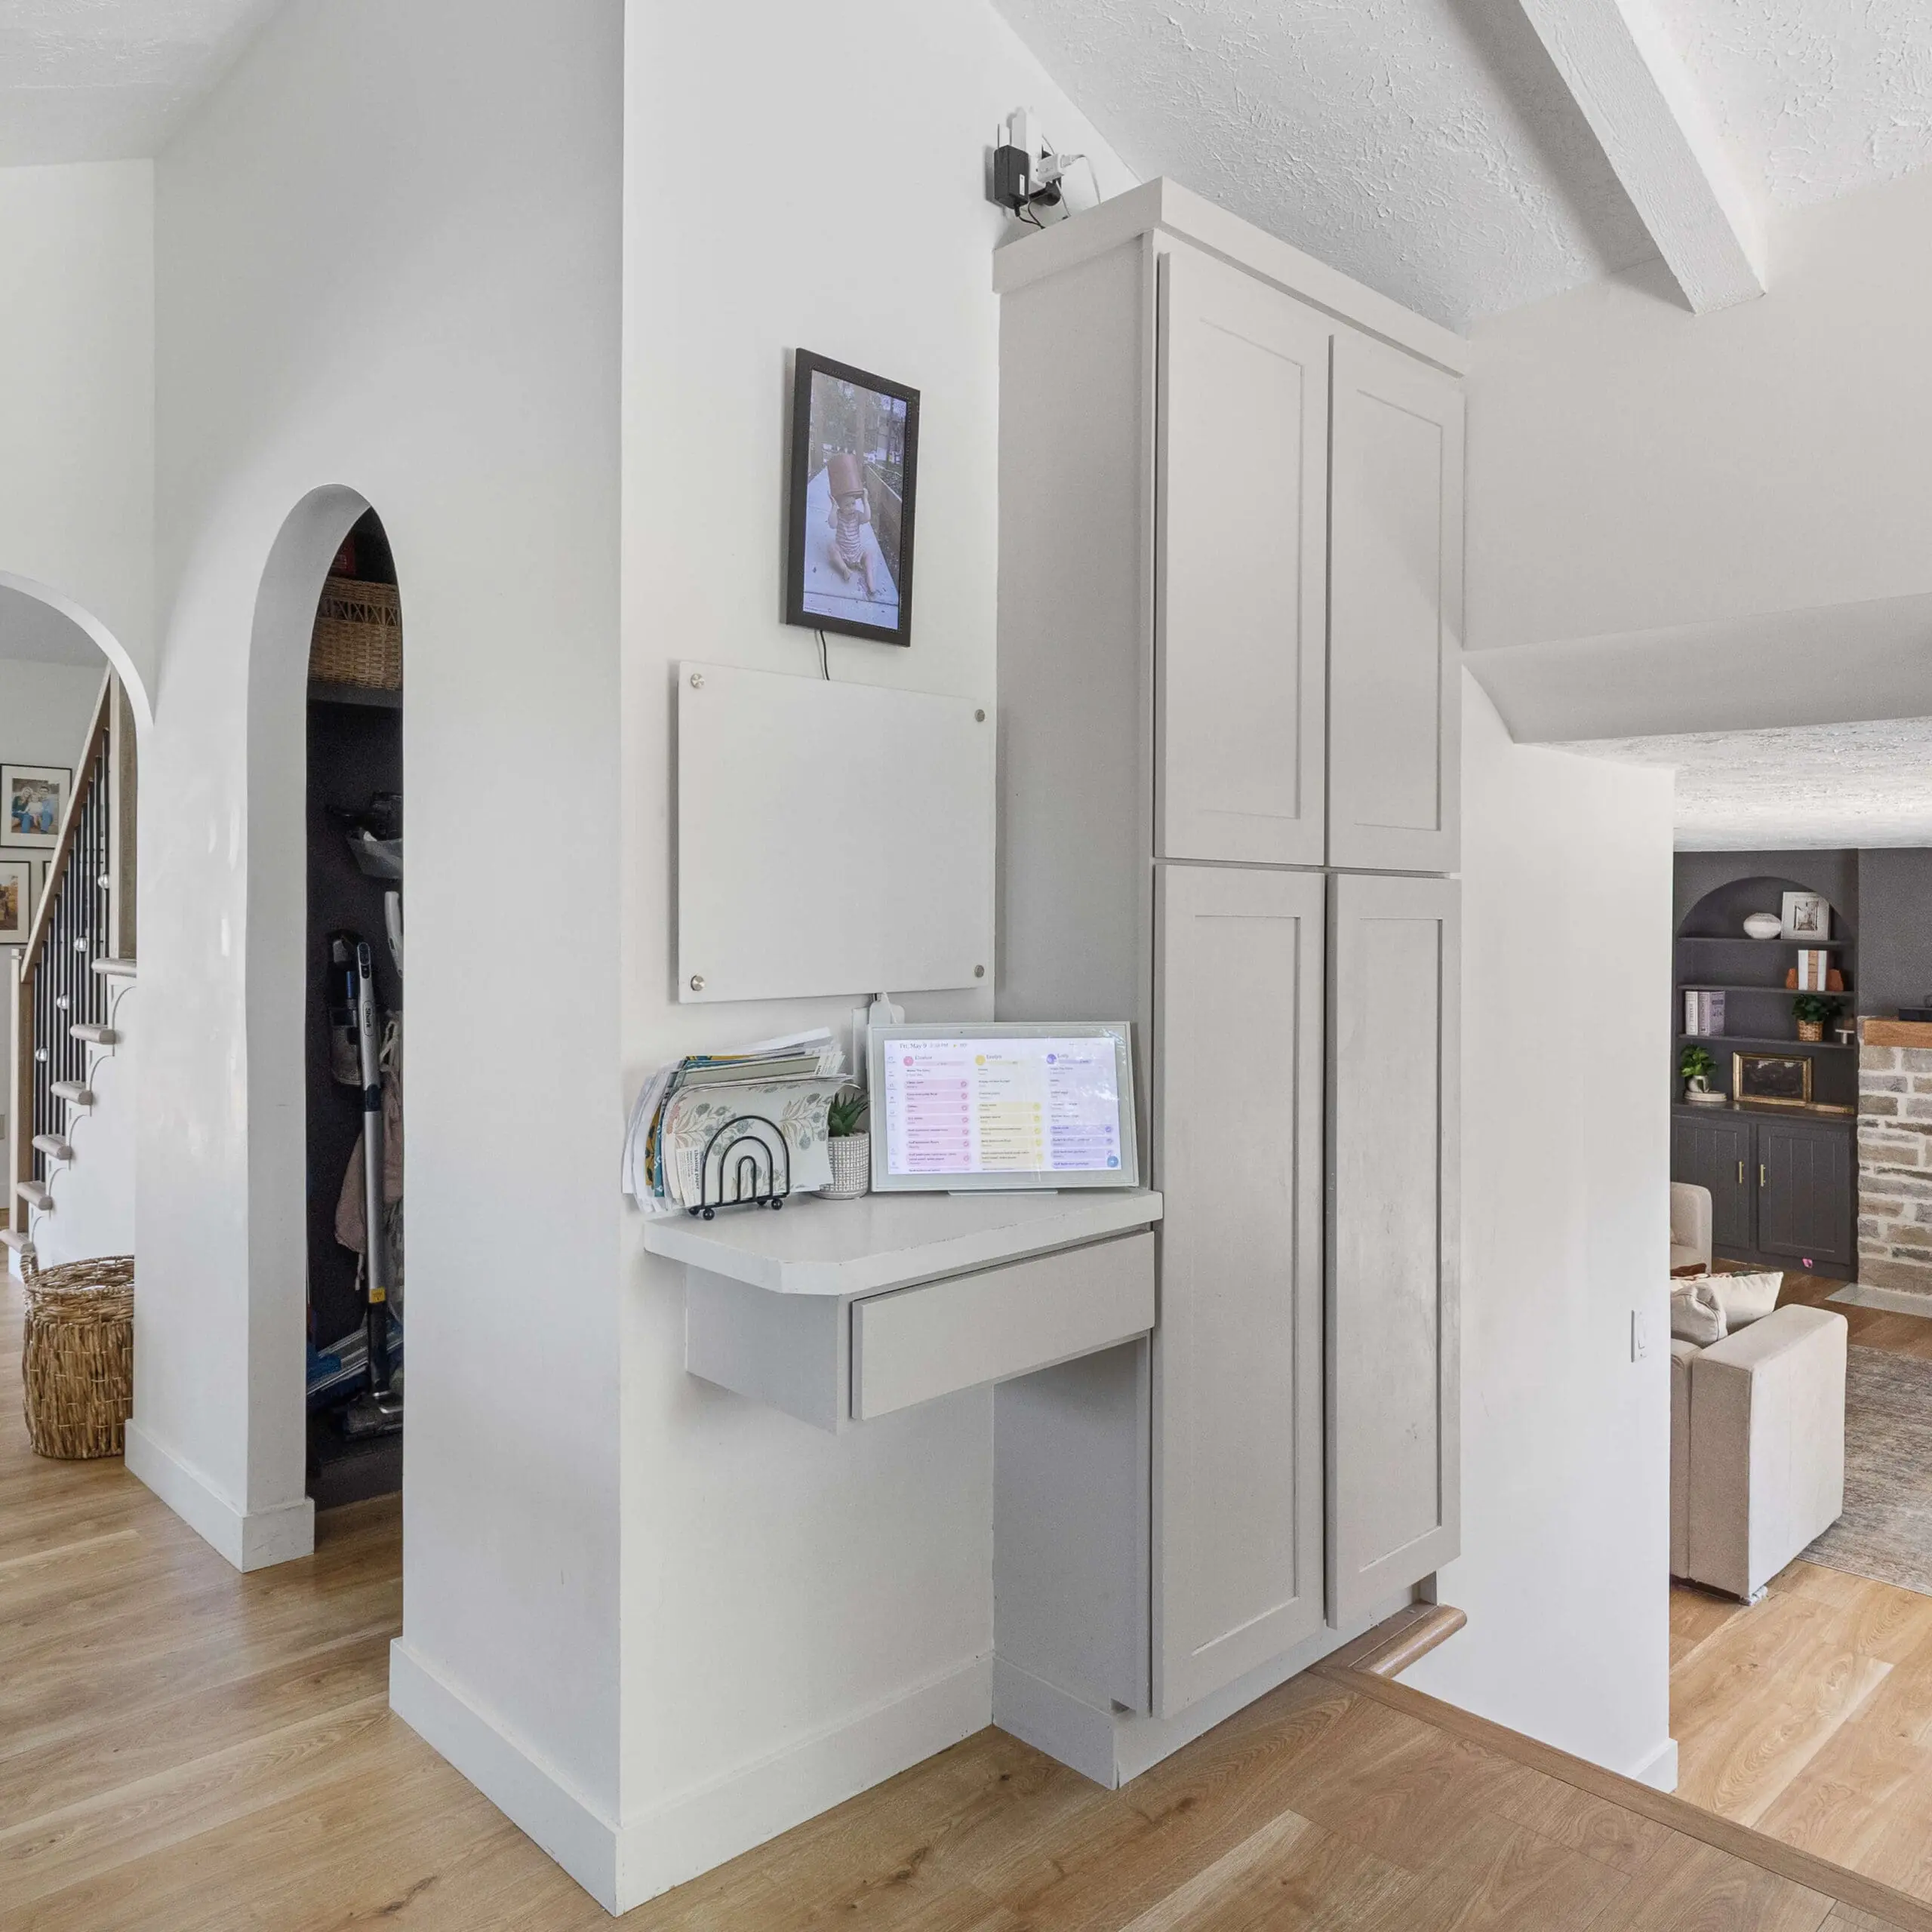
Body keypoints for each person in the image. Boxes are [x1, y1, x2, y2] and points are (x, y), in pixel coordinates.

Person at [823, 451, 878, 601]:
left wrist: (865, 500)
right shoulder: (839, 516)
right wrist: (834, 508)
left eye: (853, 503)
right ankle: (844, 569)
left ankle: (870, 579)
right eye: (847, 505)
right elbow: (832, 525)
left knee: (869, 554)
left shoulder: (857, 515)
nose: (851, 507)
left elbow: (867, 518)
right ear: (840, 507)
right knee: (831, 547)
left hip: (857, 553)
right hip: (843, 552)